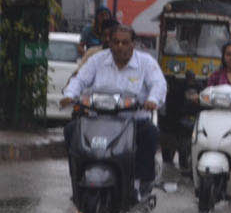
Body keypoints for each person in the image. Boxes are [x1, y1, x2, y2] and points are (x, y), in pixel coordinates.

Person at [60, 25, 167, 200]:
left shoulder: (146, 63)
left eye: (125, 42)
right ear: (109, 43)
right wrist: (70, 95)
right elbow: (80, 80)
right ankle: (77, 179)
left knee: (151, 133)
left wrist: (152, 100)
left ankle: (139, 183)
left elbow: (158, 84)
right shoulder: (97, 61)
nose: (120, 46)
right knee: (71, 130)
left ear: (133, 44)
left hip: (132, 121)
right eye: (116, 42)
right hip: (98, 120)